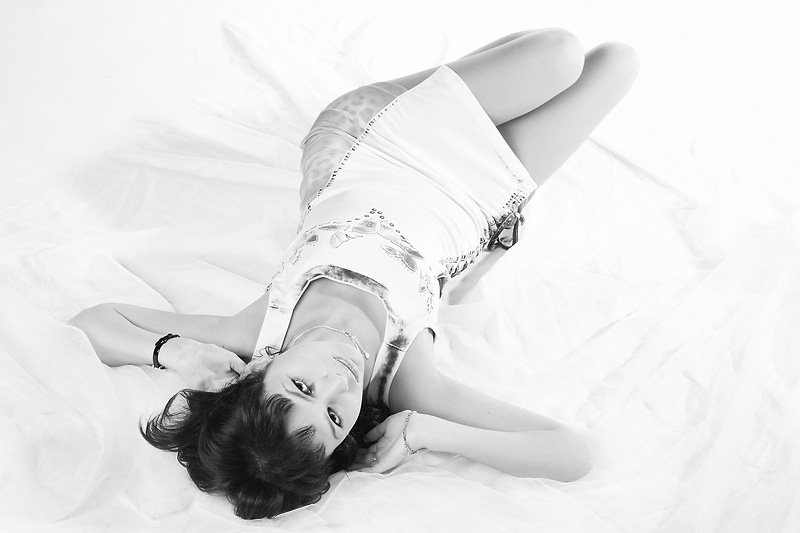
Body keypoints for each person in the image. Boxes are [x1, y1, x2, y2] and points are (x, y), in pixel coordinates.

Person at [68, 28, 639, 519]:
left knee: (558, 55)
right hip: (472, 198)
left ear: (258, 371)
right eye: (336, 415)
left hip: (369, 144)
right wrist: (424, 431)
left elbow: (93, 323)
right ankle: (480, 217)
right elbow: (570, 453)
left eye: (301, 387)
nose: (338, 383)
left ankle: (458, 102)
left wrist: (177, 353)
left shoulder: (254, 332)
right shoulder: (406, 380)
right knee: (617, 63)